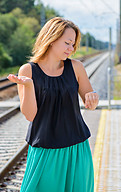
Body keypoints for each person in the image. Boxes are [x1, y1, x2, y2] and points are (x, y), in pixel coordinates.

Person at [7, 17, 99, 192]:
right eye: (67, 43)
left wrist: (93, 99)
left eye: (73, 45)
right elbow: (30, 115)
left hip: (76, 148)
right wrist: (28, 86)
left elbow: (90, 102)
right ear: (51, 39)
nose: (71, 49)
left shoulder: (76, 67)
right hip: (45, 150)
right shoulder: (28, 71)